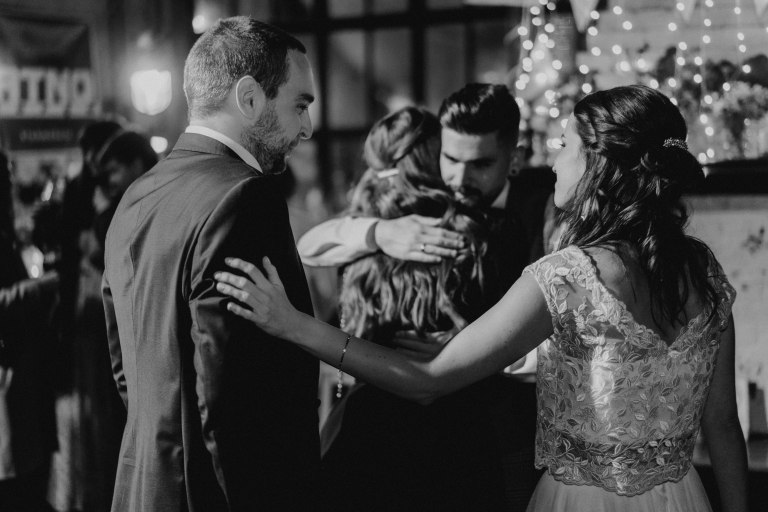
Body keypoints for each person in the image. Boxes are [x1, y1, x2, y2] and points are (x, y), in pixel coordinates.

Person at [215, 85, 749, 511]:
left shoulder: (567, 273)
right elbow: (724, 426)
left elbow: (427, 378)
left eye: (565, 146)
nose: (554, 161)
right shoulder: (705, 272)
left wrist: (294, 324)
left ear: (597, 165)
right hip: (681, 497)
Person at [102, 16, 317, 512]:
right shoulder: (246, 197)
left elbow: (124, 363)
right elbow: (234, 398)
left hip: (144, 486)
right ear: (250, 98)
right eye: (300, 105)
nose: (306, 128)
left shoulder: (137, 194)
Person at [318, 106, 525, 511]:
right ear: (436, 160)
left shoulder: (357, 241)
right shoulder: (487, 234)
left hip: (366, 434)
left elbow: (335, 312)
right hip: (456, 438)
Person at [0, 151, 59, 512]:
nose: (10, 184)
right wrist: (44, 286)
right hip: (8, 374)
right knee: (17, 485)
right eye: (5, 177)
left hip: (20, 372)